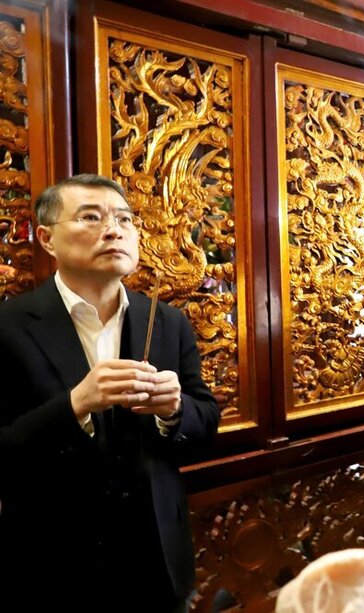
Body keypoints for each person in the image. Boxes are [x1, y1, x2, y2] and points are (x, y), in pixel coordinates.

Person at [0, 174, 220, 612]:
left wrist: (174, 411)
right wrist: (74, 404)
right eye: (90, 217)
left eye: (124, 219)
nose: (113, 230)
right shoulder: (9, 325)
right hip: (51, 562)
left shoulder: (167, 320)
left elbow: (207, 419)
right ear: (46, 239)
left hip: (155, 557)